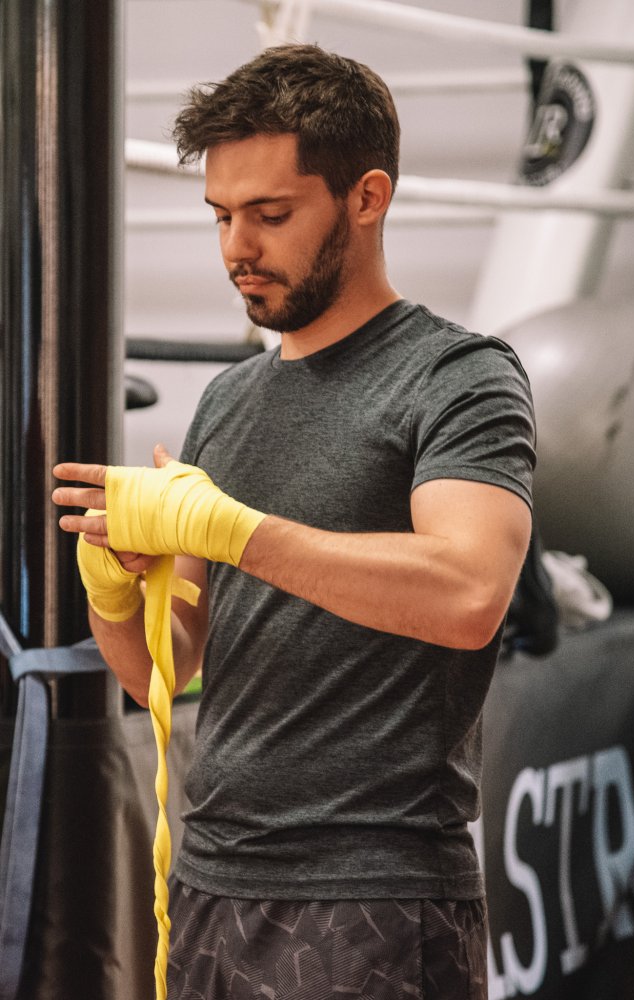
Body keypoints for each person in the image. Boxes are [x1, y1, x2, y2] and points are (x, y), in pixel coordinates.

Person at [53, 43, 536, 1000]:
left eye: (271, 215)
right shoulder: (228, 401)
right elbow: (169, 666)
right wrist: (115, 589)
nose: (237, 246)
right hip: (213, 880)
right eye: (222, 216)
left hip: (377, 896)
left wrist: (235, 531)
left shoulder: (459, 377)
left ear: (367, 197)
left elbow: (469, 594)